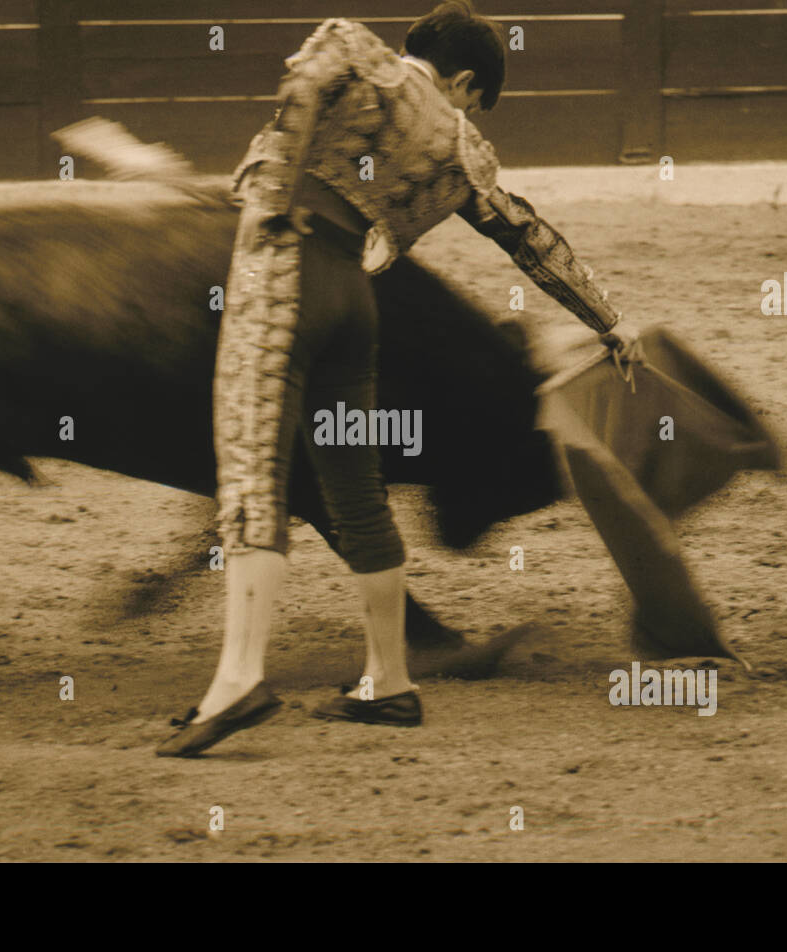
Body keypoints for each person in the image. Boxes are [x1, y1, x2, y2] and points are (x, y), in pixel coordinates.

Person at [157, 1, 641, 756]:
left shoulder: (350, 48)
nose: (468, 109)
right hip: (356, 301)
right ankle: (388, 682)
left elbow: (303, 91)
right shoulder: (459, 143)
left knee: (254, 470)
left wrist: (275, 204)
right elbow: (528, 234)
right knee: (355, 490)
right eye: (478, 100)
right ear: (466, 81)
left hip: (282, 270)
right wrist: (609, 321)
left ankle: (238, 680)